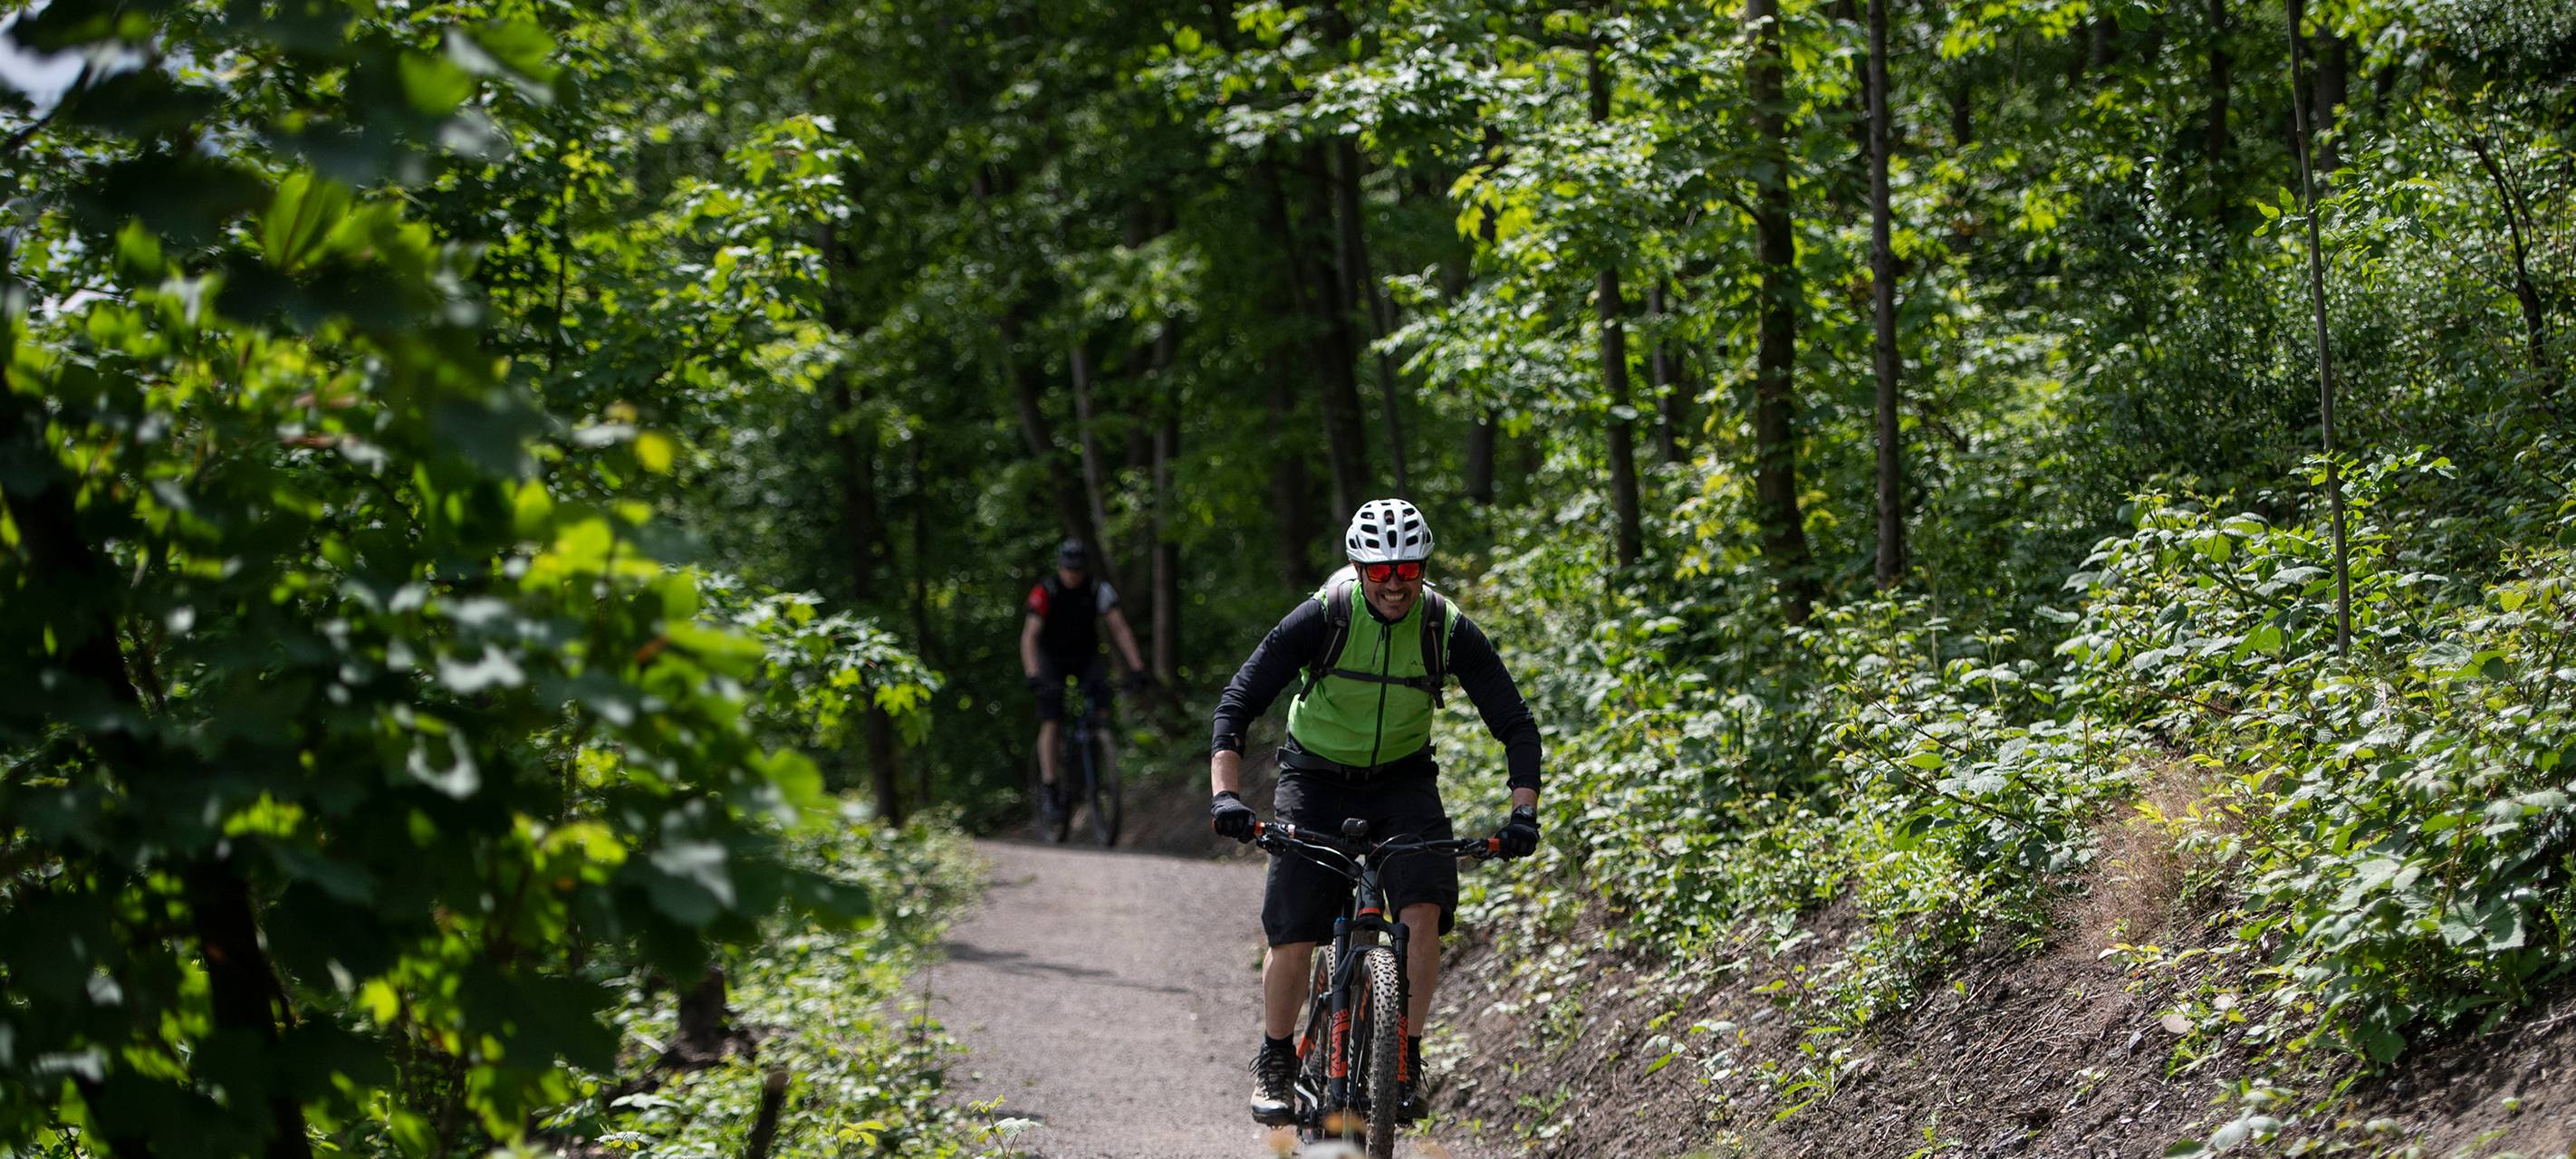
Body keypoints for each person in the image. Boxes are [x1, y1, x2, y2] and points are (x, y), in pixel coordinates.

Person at [1206, 497, 1543, 1125]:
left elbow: (1514, 723)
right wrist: (1227, 795)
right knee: (1295, 925)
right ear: (1359, 570)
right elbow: (1237, 705)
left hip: (1403, 781)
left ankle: (1404, 1055)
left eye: (1408, 571)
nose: (1394, 583)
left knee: (1422, 907)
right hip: (1314, 777)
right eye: (1380, 570)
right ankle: (1277, 1057)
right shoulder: (1324, 616)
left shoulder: (1444, 626)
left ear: (1423, 570)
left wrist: (1523, 811)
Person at [1023, 538, 1149, 821]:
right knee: (1052, 719)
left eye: (1078, 570)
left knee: (1099, 709)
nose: (1073, 575)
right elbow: (1029, 637)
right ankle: (1051, 786)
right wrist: (1033, 675)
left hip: (1086, 657)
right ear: (1060, 567)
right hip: (1051, 659)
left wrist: (1137, 668)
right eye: (1069, 569)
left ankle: (1093, 757)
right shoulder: (1046, 591)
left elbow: (1120, 629)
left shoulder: (1098, 589)